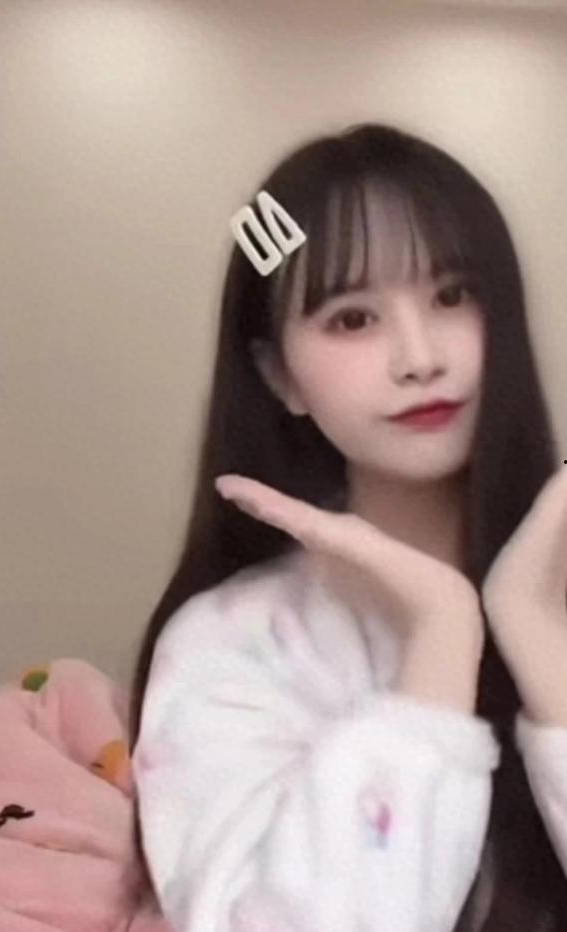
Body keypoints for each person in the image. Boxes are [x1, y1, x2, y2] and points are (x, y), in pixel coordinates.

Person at [128, 123, 567, 931]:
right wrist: (440, 639)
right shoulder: (230, 643)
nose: (419, 357)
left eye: (451, 297)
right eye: (353, 319)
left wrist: (538, 633)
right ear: (278, 374)